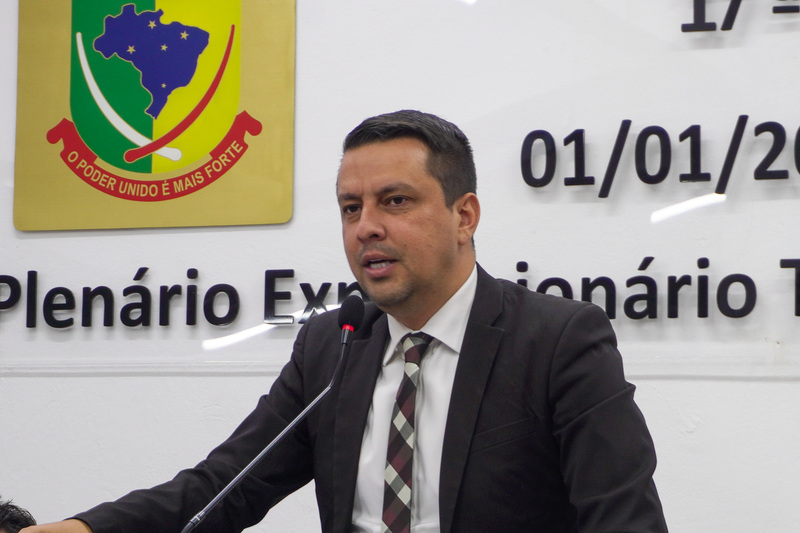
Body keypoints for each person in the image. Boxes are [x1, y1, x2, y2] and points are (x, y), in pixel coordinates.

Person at [24, 110, 668, 532]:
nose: (366, 228)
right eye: (350, 208)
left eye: (395, 201)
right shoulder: (332, 346)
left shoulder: (557, 341)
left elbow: (623, 521)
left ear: (464, 216)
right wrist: (83, 528)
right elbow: (224, 488)